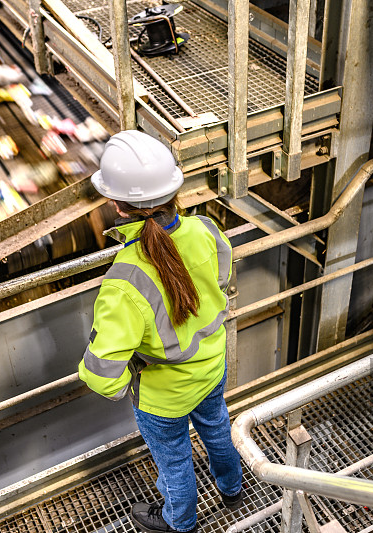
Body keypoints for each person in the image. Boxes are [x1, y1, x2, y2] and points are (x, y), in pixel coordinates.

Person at [78, 130, 243, 533]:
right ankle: (233, 487)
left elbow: (101, 372)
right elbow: (221, 283)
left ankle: (180, 522)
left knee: (173, 460)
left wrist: (127, 382)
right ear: (173, 189)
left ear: (116, 205)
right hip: (211, 366)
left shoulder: (124, 279)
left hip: (163, 395)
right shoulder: (206, 229)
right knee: (217, 425)